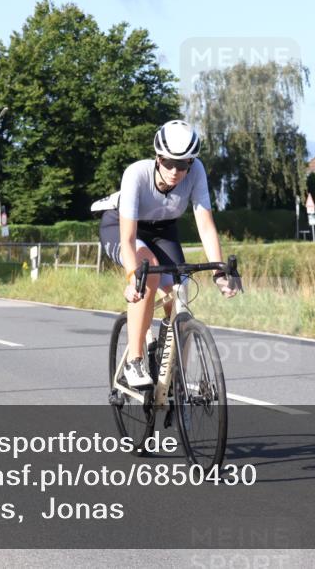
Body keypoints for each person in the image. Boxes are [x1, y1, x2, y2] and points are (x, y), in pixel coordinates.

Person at [95, 120, 240, 388]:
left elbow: (205, 226)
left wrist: (219, 273)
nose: (175, 171)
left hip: (163, 229)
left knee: (180, 293)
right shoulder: (136, 174)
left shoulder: (196, 172)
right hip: (122, 226)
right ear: (157, 158)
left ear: (191, 162)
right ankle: (134, 360)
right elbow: (128, 238)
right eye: (168, 162)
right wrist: (132, 278)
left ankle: (175, 376)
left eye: (183, 164)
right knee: (147, 271)